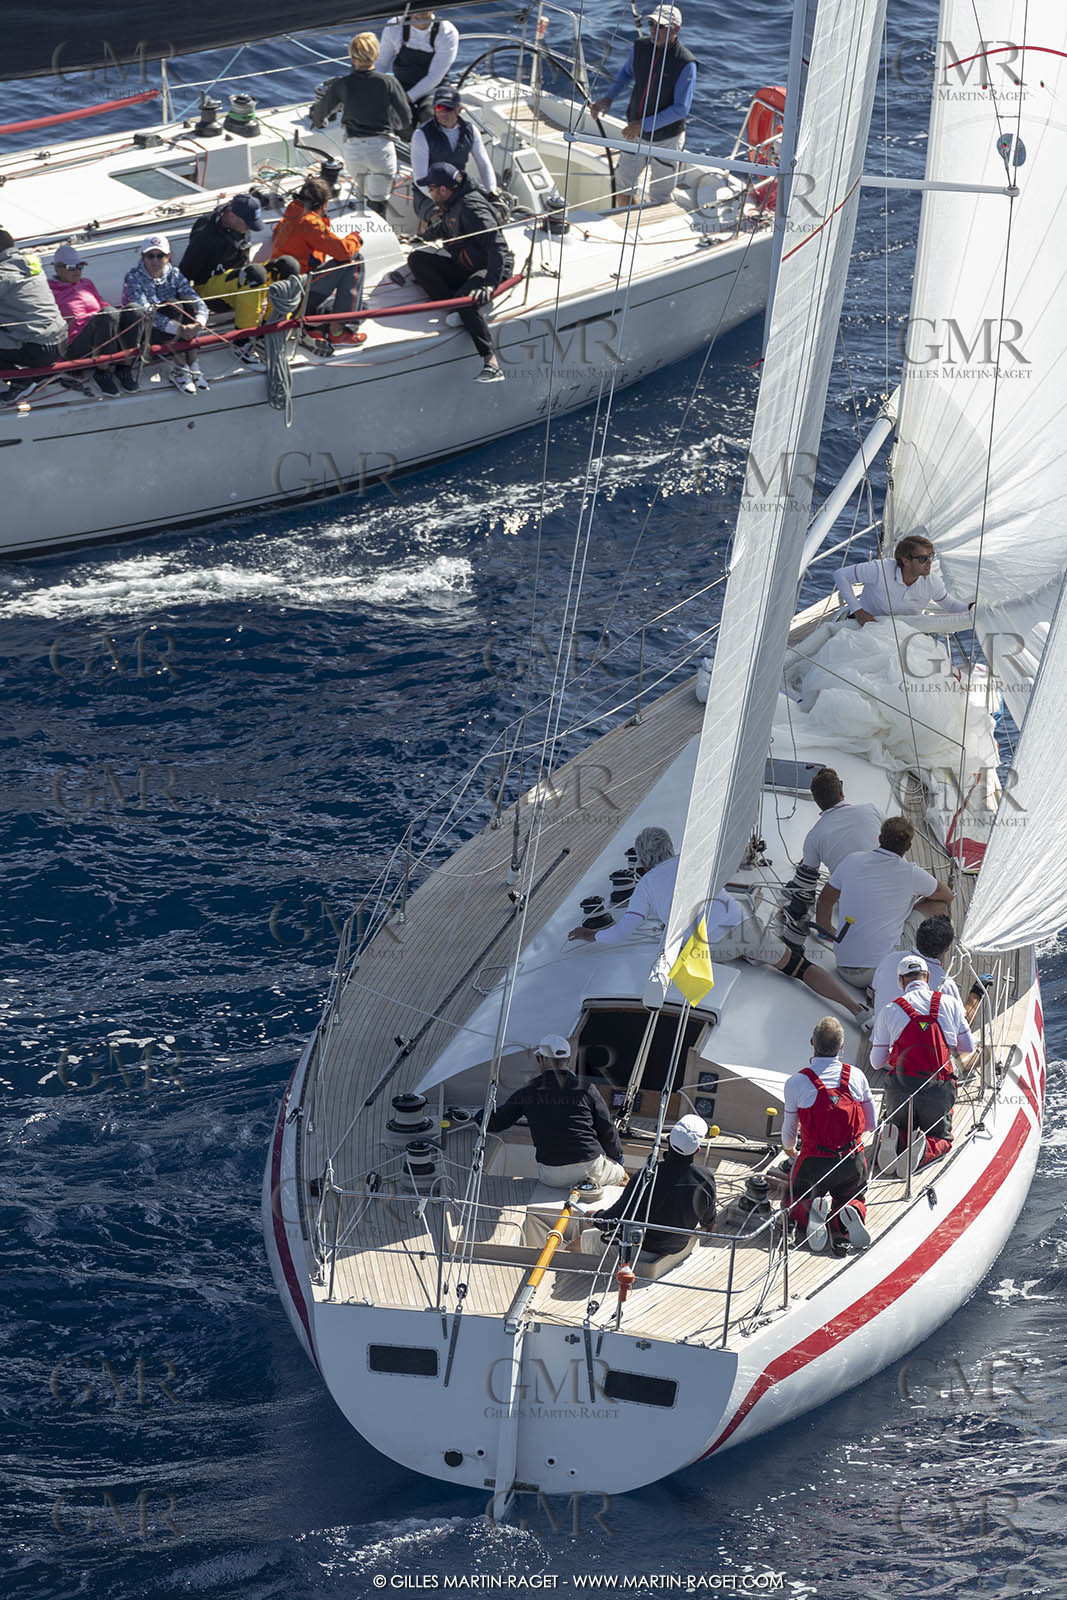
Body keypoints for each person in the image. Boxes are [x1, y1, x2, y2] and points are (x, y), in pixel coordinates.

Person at [569, 826, 873, 1026]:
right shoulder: (695, 860)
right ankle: (857, 1011)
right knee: (799, 967)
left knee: (674, 941)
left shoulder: (646, 884)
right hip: (744, 926)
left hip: (715, 949)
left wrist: (591, 934)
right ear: (671, 847)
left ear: (644, 862)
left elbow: (623, 932)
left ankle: (747, 957)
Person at [815, 815, 952, 990]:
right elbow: (947, 896)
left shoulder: (852, 860)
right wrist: (921, 899)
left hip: (842, 966)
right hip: (878, 972)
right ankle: (937, 972)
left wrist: (826, 929)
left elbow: (825, 900)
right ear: (909, 847)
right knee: (938, 906)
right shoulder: (911, 873)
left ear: (879, 839)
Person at [405, 162, 512, 383]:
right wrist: (420, 239)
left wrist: (490, 283)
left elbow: (497, 246)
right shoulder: (453, 202)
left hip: (489, 268)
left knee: (467, 300)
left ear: (443, 189)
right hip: (467, 265)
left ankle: (491, 362)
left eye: (432, 189)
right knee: (417, 259)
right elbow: (446, 227)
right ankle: (450, 303)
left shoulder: (472, 207)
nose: (430, 193)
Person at [870, 955, 974, 1176]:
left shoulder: (890, 1010)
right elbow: (968, 1047)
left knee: (898, 1123)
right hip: (937, 1090)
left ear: (901, 981)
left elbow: (876, 1062)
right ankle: (925, 1146)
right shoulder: (949, 1003)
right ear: (927, 977)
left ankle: (896, 1137)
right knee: (942, 1139)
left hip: (900, 1090)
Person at [487, 1034, 627, 1190]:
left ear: (541, 1059)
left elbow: (496, 1122)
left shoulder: (527, 1091)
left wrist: (478, 1116)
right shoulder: (587, 1089)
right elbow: (606, 1129)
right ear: (567, 1060)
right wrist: (617, 1158)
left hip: (552, 1175)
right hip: (591, 1167)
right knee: (623, 1175)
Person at [782, 1016, 875, 1254]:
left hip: (814, 1162)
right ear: (841, 1047)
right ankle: (845, 1216)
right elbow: (871, 1124)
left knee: (792, 1200)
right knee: (853, 1196)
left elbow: (789, 1131)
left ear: (812, 1042)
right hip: (851, 1160)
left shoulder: (797, 1082)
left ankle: (812, 1209)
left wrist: (790, 1149)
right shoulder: (856, 1076)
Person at [591, 5, 697, 207]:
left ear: (676, 30)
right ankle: (625, 226)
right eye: (652, 24)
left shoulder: (685, 63)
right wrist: (608, 98)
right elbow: (626, 73)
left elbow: (681, 109)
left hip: (667, 138)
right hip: (635, 132)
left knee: (660, 196)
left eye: (662, 27)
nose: (654, 31)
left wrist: (643, 125)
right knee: (623, 185)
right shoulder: (640, 47)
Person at [578, 1114, 715, 1260]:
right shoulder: (706, 1179)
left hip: (640, 1250)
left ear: (668, 1139)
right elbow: (708, 1222)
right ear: (697, 1150)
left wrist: (595, 1217)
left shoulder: (647, 1175)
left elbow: (614, 1219)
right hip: (676, 1248)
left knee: (583, 1239)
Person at [310, 33, 411, 217]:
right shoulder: (388, 82)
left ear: (351, 57)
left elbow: (319, 116)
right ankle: (380, 239)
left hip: (353, 151)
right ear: (377, 55)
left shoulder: (342, 84)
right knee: (378, 204)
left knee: (361, 195)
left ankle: (359, 239)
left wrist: (321, 121)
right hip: (381, 150)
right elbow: (405, 120)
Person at [780, 767, 883, 940]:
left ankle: (825, 928)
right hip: (891, 886)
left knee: (838, 884)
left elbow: (806, 886)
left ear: (816, 800)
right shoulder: (871, 810)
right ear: (842, 792)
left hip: (855, 905)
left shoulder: (814, 836)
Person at [270, 175, 366, 346]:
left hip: (286, 290)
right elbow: (343, 252)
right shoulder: (311, 223)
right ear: (323, 204)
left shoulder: (292, 212)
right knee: (355, 259)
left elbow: (279, 232)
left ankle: (316, 326)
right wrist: (355, 238)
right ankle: (339, 330)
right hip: (299, 294)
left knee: (361, 306)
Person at [47, 242, 148, 395]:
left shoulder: (86, 283)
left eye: (80, 266)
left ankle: (124, 368)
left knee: (135, 309)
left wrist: (124, 319)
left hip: (105, 335)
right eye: (71, 267)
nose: (77, 271)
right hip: (76, 345)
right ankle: (102, 372)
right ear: (57, 268)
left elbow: (102, 304)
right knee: (107, 314)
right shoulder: (49, 290)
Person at [121, 235, 209, 395]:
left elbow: (195, 299)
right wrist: (179, 329)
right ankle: (180, 367)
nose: (155, 261)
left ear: (168, 257)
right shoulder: (133, 277)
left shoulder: (174, 273)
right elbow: (146, 312)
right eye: (150, 256)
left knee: (188, 302)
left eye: (160, 256)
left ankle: (193, 364)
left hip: (177, 327)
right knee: (172, 305)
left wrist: (199, 323)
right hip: (147, 330)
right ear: (143, 257)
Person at [833, 535, 973, 625]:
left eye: (931, 556)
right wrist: (858, 611)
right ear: (906, 560)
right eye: (923, 558)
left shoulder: (932, 581)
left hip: (904, 631)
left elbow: (952, 606)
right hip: (867, 625)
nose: (929, 562)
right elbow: (840, 575)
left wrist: (972, 608)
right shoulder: (879, 569)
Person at [179, 193, 268, 330]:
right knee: (253, 276)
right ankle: (244, 337)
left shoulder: (239, 228)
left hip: (234, 280)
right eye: (247, 224)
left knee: (283, 267)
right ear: (232, 216)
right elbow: (185, 273)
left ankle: (271, 324)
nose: (249, 228)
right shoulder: (205, 236)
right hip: (208, 290)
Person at [410, 87, 497, 226]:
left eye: (448, 108)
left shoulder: (471, 131)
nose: (443, 112)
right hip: (429, 194)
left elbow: (483, 164)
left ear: (459, 109)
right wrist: (441, 199)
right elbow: (419, 177)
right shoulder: (421, 135)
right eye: (439, 108)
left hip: (458, 189)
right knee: (442, 222)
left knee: (483, 216)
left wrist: (491, 191)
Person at [870, 913, 970, 1025]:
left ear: (917, 937)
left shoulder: (889, 959)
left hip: (879, 1038)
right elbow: (962, 1027)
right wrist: (976, 994)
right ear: (946, 949)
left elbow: (875, 998)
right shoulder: (946, 984)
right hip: (915, 1042)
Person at [0, 229, 69, 386]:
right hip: (61, 342)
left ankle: (21, 384)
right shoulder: (28, 264)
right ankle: (40, 376)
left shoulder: (3, 274)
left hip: (39, 350)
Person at [377, 9, 460, 120]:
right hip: (402, 86)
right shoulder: (394, 26)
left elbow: (434, 76)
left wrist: (407, 98)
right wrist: (371, 86)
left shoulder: (447, 32)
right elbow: (381, 63)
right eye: (418, 7)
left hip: (435, 88)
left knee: (429, 113)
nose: (422, 13)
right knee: (398, 117)